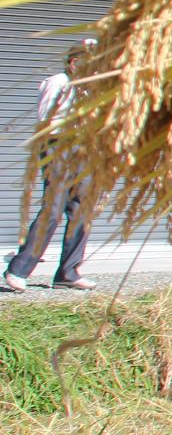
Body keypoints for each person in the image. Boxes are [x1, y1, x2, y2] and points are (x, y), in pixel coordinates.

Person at [5, 38, 101, 292]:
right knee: (54, 209)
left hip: (84, 150)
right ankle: (18, 269)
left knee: (82, 210)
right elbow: (47, 121)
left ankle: (68, 273)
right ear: (74, 62)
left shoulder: (93, 88)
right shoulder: (58, 83)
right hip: (59, 146)